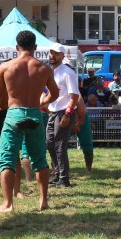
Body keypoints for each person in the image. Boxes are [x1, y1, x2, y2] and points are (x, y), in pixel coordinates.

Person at [0, 30, 60, 212]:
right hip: (35, 113)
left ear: (16, 47)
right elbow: (55, 93)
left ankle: (7, 204)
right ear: (35, 47)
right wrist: (42, 102)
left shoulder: (6, 67)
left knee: (7, 159)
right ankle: (43, 201)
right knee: (40, 160)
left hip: (14, 113)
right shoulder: (44, 69)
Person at [46, 43, 81, 188]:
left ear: (62, 56)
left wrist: (67, 114)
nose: (52, 56)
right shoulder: (50, 72)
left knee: (60, 146)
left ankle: (64, 179)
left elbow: (74, 96)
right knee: (50, 143)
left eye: (56, 53)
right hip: (53, 112)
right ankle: (57, 174)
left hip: (64, 112)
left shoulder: (68, 72)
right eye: (51, 53)